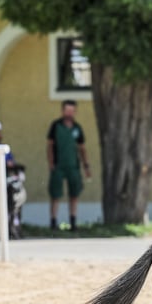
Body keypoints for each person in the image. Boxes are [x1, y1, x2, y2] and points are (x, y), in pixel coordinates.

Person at [47, 99, 91, 231]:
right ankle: (54, 222)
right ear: (62, 111)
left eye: (72, 110)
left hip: (73, 166)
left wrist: (86, 166)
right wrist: (51, 162)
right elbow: (49, 146)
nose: (69, 113)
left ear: (75, 112)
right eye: (67, 110)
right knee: (55, 194)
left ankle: (73, 221)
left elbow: (82, 148)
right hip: (58, 165)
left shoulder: (77, 128)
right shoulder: (55, 125)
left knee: (74, 194)